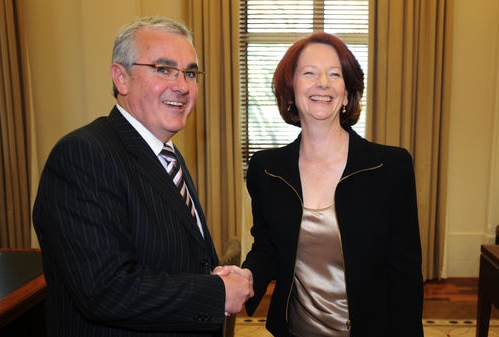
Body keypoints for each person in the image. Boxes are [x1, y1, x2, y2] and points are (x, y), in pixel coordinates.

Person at [32, 16, 253, 337]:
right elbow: (104, 289)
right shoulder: (83, 154)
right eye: (163, 69)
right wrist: (217, 293)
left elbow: (170, 255)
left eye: (190, 73)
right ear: (121, 78)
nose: (181, 85)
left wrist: (214, 276)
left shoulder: (166, 152)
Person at [238, 32, 424, 336]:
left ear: (348, 93)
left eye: (334, 74)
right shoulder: (266, 170)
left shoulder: (391, 167)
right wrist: (245, 277)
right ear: (291, 90)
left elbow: (405, 275)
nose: (322, 82)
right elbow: (267, 247)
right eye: (309, 73)